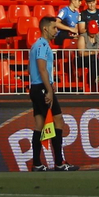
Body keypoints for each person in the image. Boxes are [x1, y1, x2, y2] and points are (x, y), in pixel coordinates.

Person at [28, 15, 75, 171]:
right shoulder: (42, 45)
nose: (56, 30)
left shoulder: (37, 45)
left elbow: (32, 69)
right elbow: (41, 68)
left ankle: (36, 164)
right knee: (58, 121)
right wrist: (48, 88)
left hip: (36, 87)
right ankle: (59, 163)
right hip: (41, 87)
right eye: (54, 27)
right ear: (45, 28)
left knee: (40, 125)